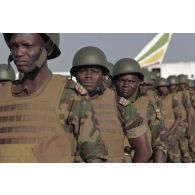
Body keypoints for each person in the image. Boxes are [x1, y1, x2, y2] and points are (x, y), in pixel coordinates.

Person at [0, 33, 108, 163]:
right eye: (14, 46)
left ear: (48, 48)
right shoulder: (3, 93)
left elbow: (94, 156)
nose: (19, 52)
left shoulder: (69, 94)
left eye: (27, 46)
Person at [71, 46, 151, 163]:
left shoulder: (121, 106)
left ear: (103, 75)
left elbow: (144, 152)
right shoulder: (63, 101)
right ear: (75, 75)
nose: (88, 76)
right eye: (82, 71)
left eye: (95, 71)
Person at [113, 58, 166, 162]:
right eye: (122, 81)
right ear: (114, 81)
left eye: (131, 81)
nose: (126, 85)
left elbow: (159, 143)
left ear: (138, 82)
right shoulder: (109, 103)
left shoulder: (149, 107)